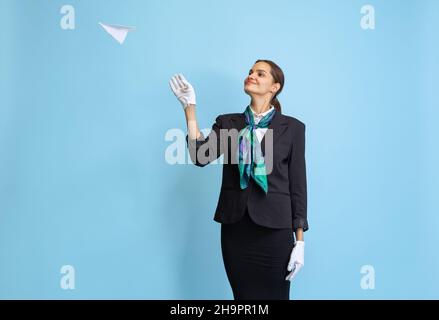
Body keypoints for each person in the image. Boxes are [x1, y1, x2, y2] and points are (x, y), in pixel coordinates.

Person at [169, 60, 308, 300]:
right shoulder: (229, 123)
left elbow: (298, 186)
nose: (252, 75)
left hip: (275, 232)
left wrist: (300, 242)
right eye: (250, 72)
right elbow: (200, 156)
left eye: (260, 73)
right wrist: (189, 109)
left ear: (274, 87)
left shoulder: (293, 128)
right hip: (236, 231)